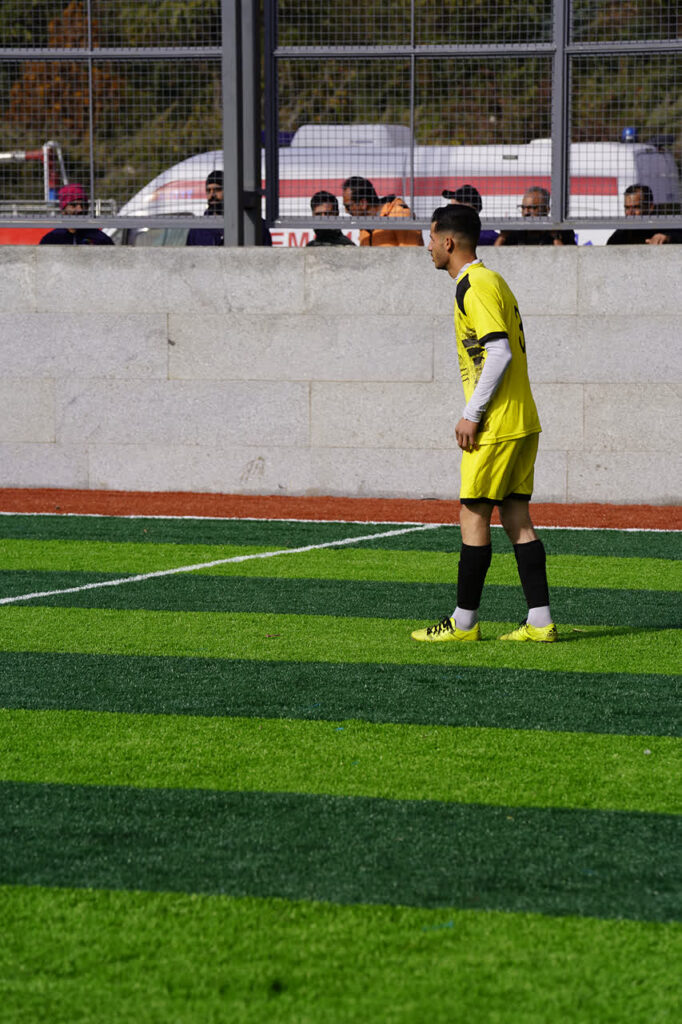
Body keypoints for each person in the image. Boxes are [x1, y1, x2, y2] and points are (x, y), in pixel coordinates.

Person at [411, 202, 556, 644]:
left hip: (497, 424)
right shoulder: (492, 280)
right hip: (521, 418)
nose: (428, 248)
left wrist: (471, 413)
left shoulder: (474, 285)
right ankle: (540, 622)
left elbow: (499, 351)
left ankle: (464, 622)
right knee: (516, 516)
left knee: (473, 513)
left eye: (431, 239)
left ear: (448, 241)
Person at [341, 176, 423, 247]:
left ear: (363, 203)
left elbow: (412, 255)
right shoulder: (364, 223)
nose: (346, 211)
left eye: (348, 206)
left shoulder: (400, 215)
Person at [494, 186, 576, 246]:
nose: (526, 212)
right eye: (523, 208)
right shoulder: (514, 232)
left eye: (532, 208)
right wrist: (502, 236)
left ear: (546, 210)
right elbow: (493, 259)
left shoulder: (562, 231)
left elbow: (568, 259)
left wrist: (556, 238)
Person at [606, 184, 682, 245]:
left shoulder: (665, 225)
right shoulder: (621, 235)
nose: (630, 213)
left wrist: (667, 238)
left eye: (636, 207)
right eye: (627, 208)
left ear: (650, 207)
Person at [39, 184, 114, 245]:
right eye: (73, 205)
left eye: (83, 205)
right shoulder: (52, 239)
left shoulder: (100, 239)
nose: (80, 209)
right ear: (63, 210)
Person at [186, 170, 225, 246]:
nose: (212, 195)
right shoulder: (198, 229)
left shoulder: (237, 224)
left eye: (217, 190)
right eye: (208, 190)